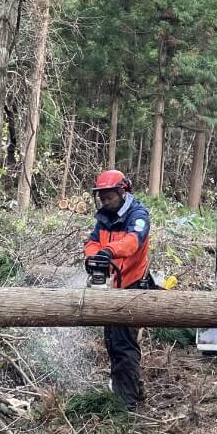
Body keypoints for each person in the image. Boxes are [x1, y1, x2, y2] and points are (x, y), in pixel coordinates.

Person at [83, 169, 152, 410]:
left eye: (109, 196)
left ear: (122, 192)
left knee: (123, 343)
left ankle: (127, 403)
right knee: (112, 340)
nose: (104, 200)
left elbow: (133, 241)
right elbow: (92, 242)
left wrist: (110, 250)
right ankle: (130, 388)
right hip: (112, 286)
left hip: (131, 284)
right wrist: (94, 257)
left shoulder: (138, 214)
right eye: (101, 196)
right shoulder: (104, 217)